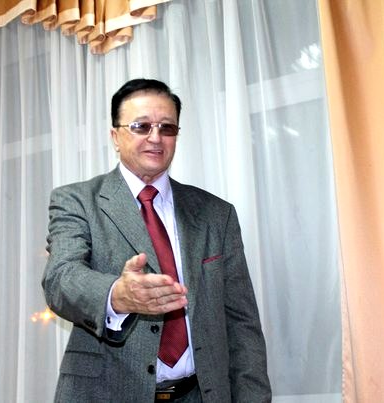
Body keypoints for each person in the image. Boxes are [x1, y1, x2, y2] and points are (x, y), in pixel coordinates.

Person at [43, 78, 271, 402]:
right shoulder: (77, 201)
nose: (155, 137)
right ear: (115, 136)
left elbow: (241, 323)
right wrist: (116, 295)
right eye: (141, 126)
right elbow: (60, 278)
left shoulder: (216, 214)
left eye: (167, 127)